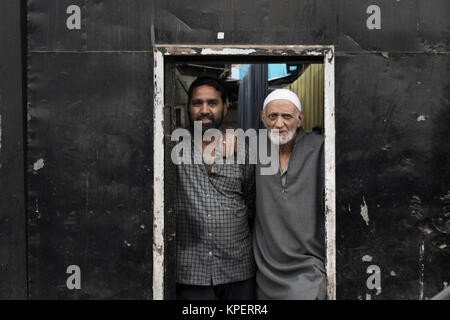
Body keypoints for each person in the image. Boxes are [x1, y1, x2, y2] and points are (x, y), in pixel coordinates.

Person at [175, 77, 256, 300]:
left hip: (237, 267)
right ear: (188, 107)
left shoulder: (244, 151)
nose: (204, 110)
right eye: (197, 103)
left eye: (212, 103)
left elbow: (251, 203)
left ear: (225, 105)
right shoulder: (172, 149)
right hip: (191, 269)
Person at [253, 88, 326, 300]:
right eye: (272, 116)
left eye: (287, 116)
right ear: (263, 117)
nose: (279, 124)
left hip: (307, 266)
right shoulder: (254, 148)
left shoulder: (321, 148)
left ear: (300, 119)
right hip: (265, 268)